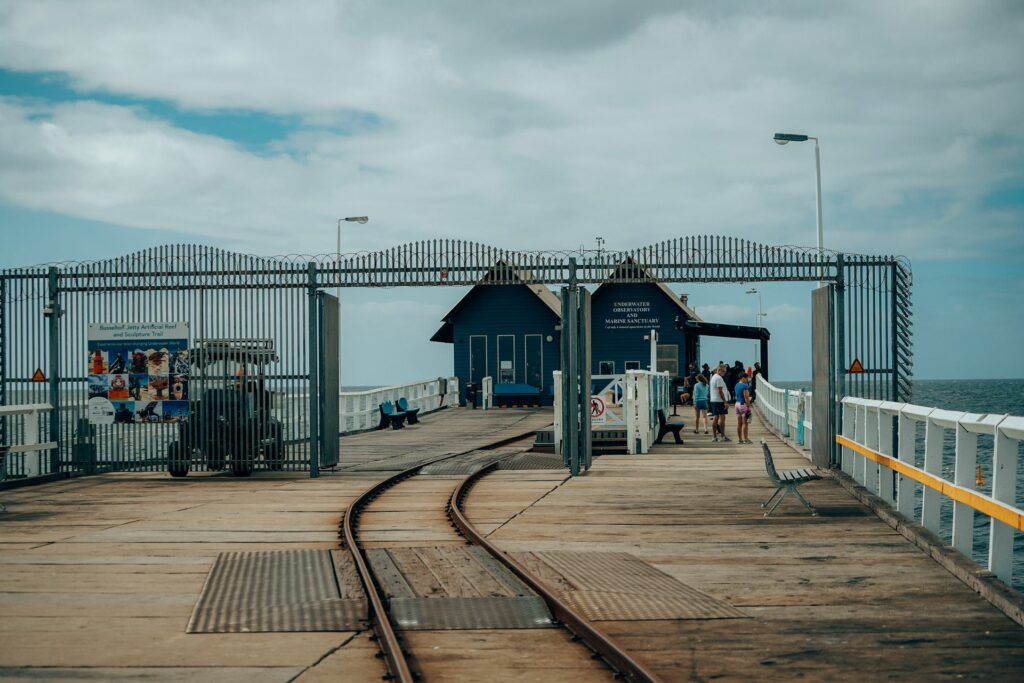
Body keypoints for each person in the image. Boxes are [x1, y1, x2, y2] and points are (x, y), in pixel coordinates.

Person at [709, 364, 730, 441]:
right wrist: (725, 402)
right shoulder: (719, 378)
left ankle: (714, 437)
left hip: (713, 400)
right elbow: (720, 391)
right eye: (724, 371)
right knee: (722, 418)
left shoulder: (713, 377)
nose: (725, 373)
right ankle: (723, 436)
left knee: (715, 417)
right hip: (719, 401)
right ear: (719, 370)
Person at [734, 372, 752, 443]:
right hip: (743, 405)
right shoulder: (745, 386)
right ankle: (746, 439)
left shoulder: (736, 385)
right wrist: (748, 406)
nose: (747, 380)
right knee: (745, 423)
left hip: (737, 404)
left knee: (739, 423)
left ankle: (740, 439)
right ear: (743, 378)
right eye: (747, 378)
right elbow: (746, 397)